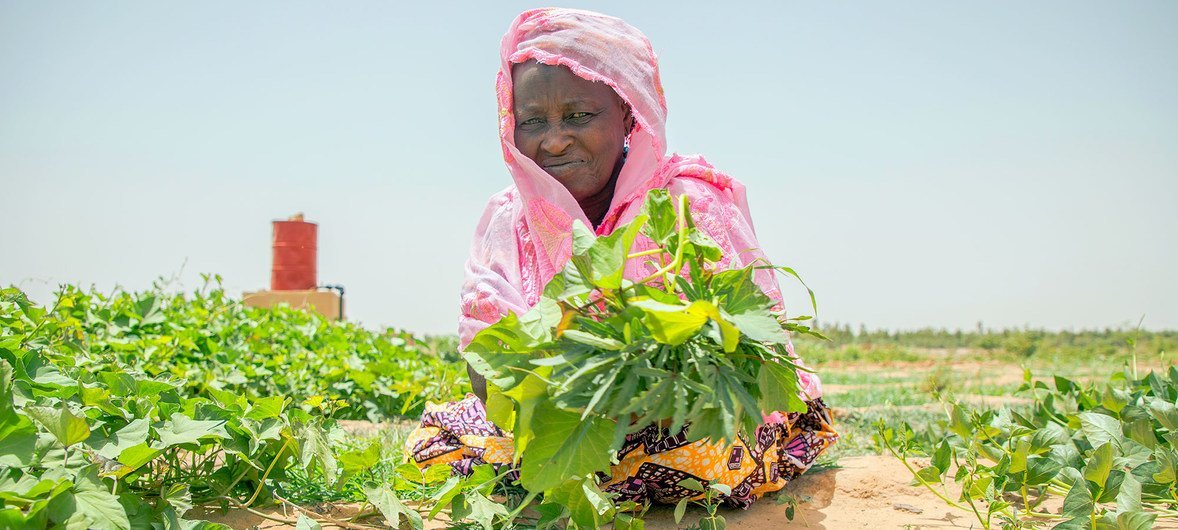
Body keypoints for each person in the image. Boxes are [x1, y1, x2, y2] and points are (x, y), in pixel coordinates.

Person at [406, 8, 837, 508]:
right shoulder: (510, 218)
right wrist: (554, 390)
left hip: (693, 416)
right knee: (454, 444)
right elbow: (486, 355)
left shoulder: (684, 202)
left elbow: (749, 352)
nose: (554, 139)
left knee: (703, 454)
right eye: (532, 121)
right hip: (569, 423)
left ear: (629, 114)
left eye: (579, 116)